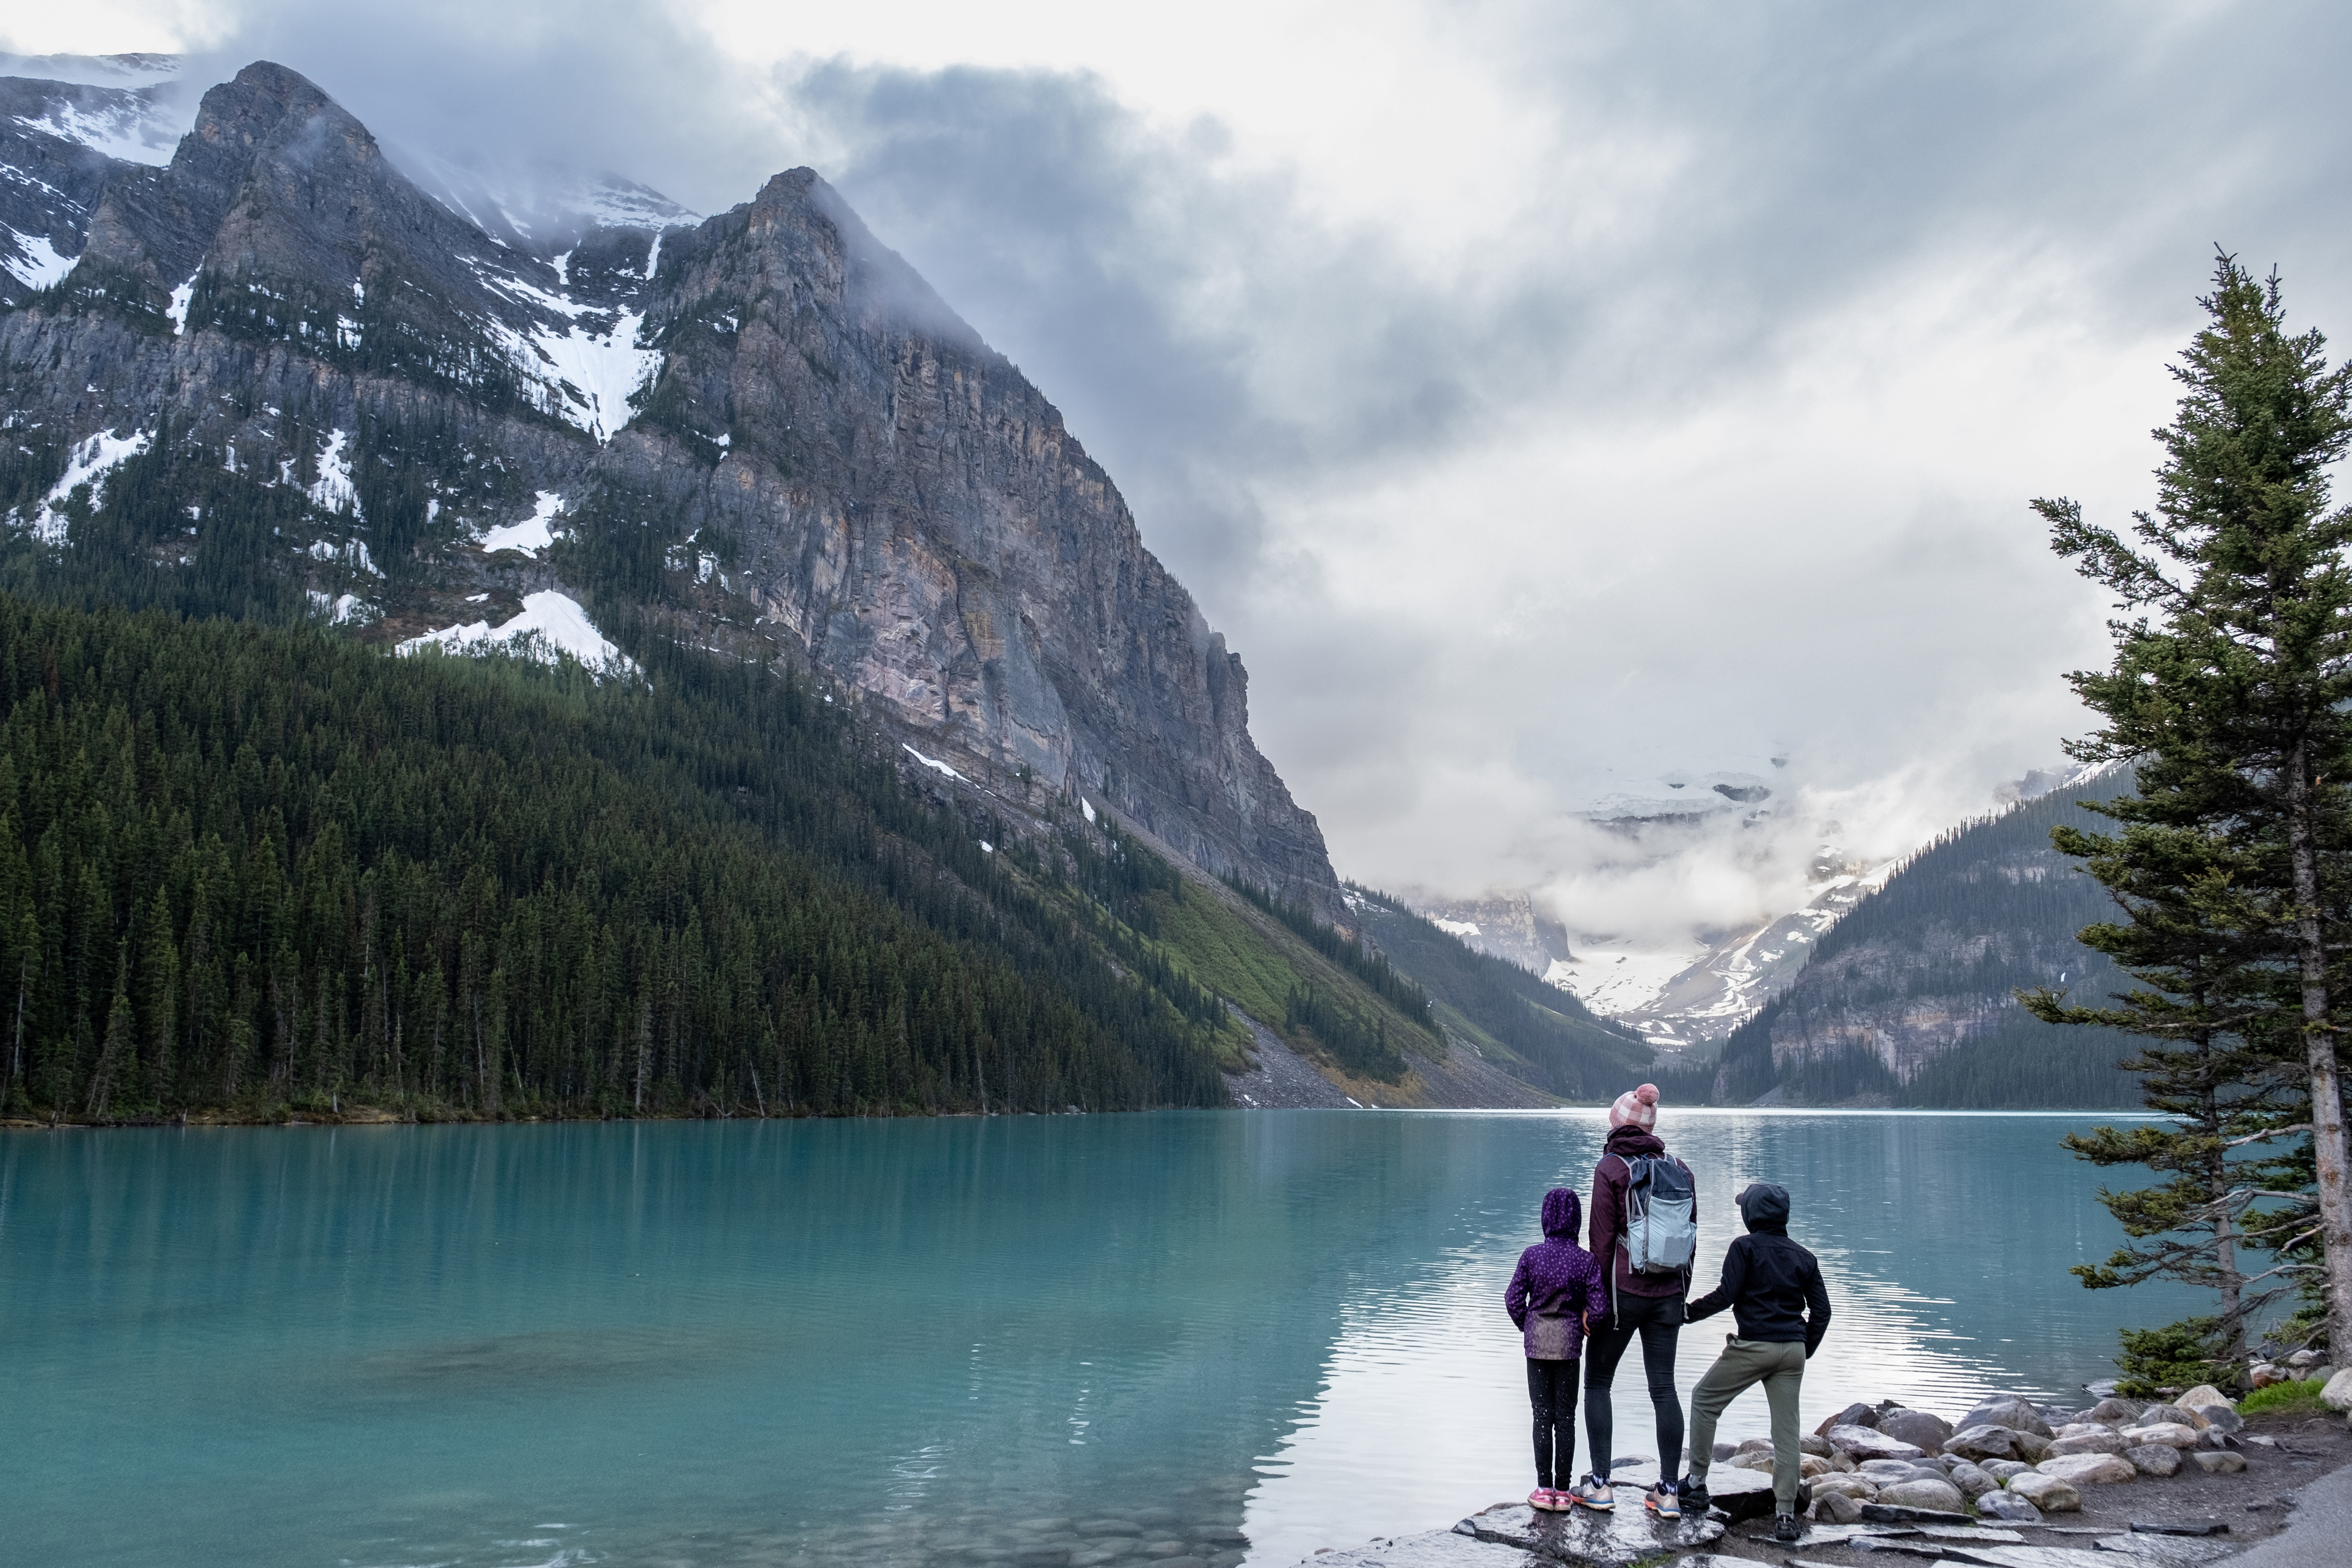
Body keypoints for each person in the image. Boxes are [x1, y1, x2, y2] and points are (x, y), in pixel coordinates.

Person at [1678, 1181, 1832, 1544]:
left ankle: (1697, 1484)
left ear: (1751, 1214)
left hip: (1754, 1346)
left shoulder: (1744, 1248)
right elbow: (1822, 1311)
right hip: (1791, 1350)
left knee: (1704, 1400)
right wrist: (1803, 1348)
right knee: (1786, 1433)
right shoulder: (1804, 1256)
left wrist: (1686, 1313)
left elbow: (1726, 1295)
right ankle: (1784, 1516)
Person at [1574, 1083, 1695, 1518]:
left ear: (1618, 1125)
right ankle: (1667, 1492)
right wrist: (1682, 1293)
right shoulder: (1680, 1167)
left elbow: (1601, 1243)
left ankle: (1602, 1486)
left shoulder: (1610, 1168)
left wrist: (1593, 1301)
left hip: (1623, 1294)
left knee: (1598, 1383)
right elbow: (1690, 1238)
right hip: (1669, 1294)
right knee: (1664, 1388)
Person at [1505, 1186, 1609, 1512]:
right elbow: (1601, 1308)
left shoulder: (1531, 1256)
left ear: (1545, 1218)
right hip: (1569, 1348)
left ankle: (1543, 1489)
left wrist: (1530, 1325)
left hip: (1537, 1348)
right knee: (1565, 1418)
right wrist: (1582, 1322)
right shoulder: (1586, 1261)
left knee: (1541, 1416)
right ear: (1576, 1220)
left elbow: (1512, 1300)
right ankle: (1564, 1493)